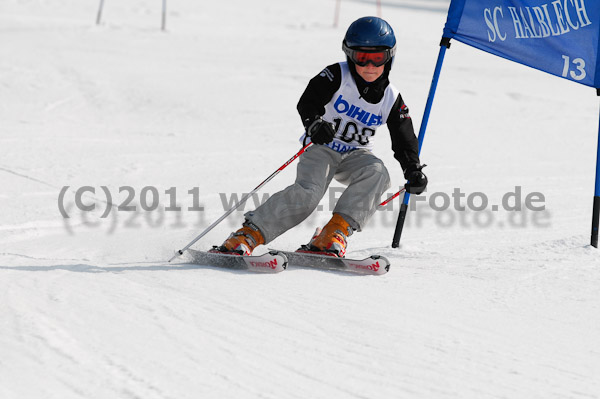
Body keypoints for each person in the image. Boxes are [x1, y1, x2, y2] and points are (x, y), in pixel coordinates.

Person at [213, 16, 427, 257]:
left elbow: (404, 138)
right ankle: (249, 235)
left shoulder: (391, 97)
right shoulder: (337, 75)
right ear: (350, 55)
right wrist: (314, 123)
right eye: (361, 57)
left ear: (389, 57)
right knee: (308, 194)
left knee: (377, 174)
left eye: (376, 58)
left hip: (356, 154)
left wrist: (413, 168)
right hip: (322, 147)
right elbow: (308, 101)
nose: (369, 66)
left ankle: (333, 234)